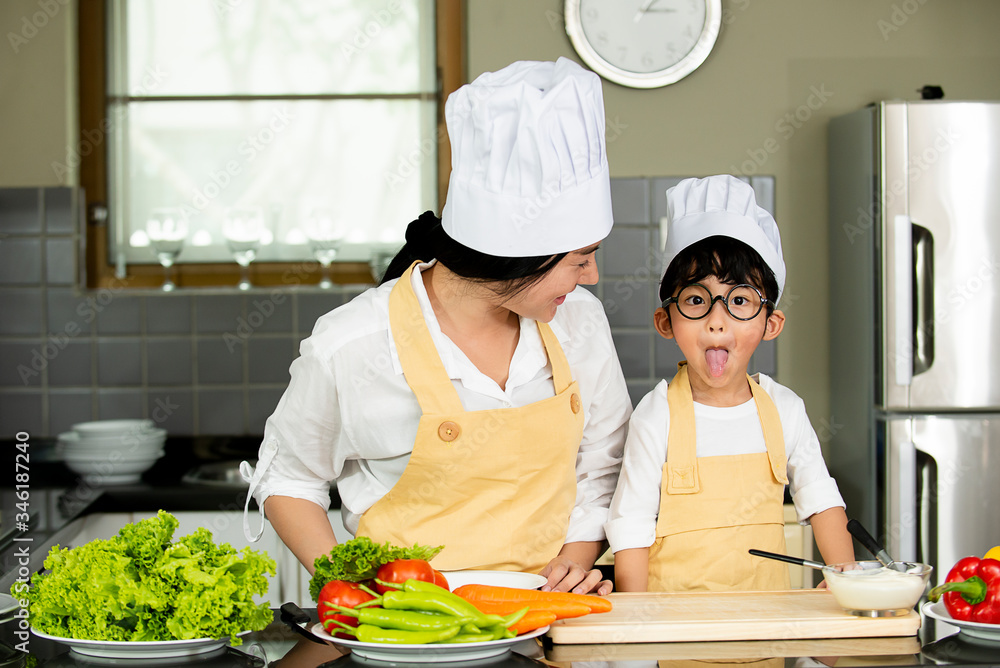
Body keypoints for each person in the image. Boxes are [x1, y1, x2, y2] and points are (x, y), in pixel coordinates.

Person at [241, 58, 631, 595]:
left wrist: (578, 553)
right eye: (580, 257)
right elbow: (288, 478)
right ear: (516, 257)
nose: (590, 275)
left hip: (550, 616)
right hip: (407, 630)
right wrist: (347, 589)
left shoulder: (579, 320)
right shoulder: (353, 344)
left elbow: (605, 457)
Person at [606, 175, 854, 592]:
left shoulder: (785, 408)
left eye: (739, 300)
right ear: (666, 321)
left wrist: (847, 578)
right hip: (676, 642)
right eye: (696, 300)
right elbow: (630, 526)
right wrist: (637, 625)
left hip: (768, 637)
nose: (717, 320)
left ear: (770, 324)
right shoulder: (657, 414)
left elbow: (821, 499)